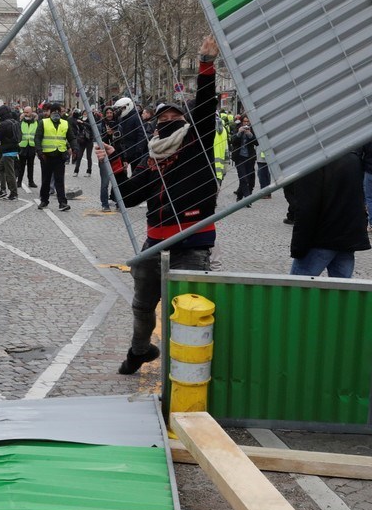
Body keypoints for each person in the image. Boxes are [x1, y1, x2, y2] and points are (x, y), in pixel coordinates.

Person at [101, 36, 219, 375]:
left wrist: (206, 65)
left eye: (175, 115)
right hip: (154, 243)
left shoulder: (196, 145)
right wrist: (115, 162)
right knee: (141, 306)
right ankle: (139, 351)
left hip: (191, 244)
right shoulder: (150, 159)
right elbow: (127, 197)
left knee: (188, 311)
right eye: (163, 116)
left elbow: (206, 107)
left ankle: (191, 368)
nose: (169, 118)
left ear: (185, 122)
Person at [286, 150, 370, 278]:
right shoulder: (352, 157)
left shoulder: (311, 162)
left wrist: (298, 248)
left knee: (298, 287)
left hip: (321, 238)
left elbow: (307, 208)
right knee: (342, 288)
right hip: (346, 238)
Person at [35, 103, 73, 211]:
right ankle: (44, 200)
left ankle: (62, 203)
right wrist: (39, 151)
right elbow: (37, 138)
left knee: (59, 180)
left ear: (61, 113)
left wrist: (74, 148)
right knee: (46, 180)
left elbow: (71, 137)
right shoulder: (43, 122)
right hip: (46, 156)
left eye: (58, 111)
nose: (56, 113)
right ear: (50, 113)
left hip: (60, 155)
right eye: (54, 111)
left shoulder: (65, 123)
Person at [98, 107, 124, 213]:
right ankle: (105, 204)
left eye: (111, 112)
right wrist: (107, 135)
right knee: (105, 183)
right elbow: (99, 142)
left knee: (117, 182)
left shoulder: (119, 126)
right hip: (104, 157)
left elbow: (122, 144)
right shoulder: (100, 126)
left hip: (116, 157)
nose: (109, 114)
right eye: (107, 113)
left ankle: (118, 203)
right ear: (104, 114)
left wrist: (124, 159)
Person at [0, 105, 20, 200]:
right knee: (0, 168)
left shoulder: (4, 124)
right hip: (15, 149)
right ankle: (3, 190)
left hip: (7, 151)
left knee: (10, 173)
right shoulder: (15, 122)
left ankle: (13, 193)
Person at [230, 115, 258, 201]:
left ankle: (239, 196)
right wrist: (239, 133)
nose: (246, 123)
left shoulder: (253, 129)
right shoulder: (237, 128)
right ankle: (247, 199)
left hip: (250, 158)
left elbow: (257, 142)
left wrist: (250, 135)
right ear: (242, 122)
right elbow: (232, 141)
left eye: (247, 121)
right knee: (243, 178)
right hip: (239, 158)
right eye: (244, 121)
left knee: (249, 179)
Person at [16, 106, 39, 190]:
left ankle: (31, 181)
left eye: (27, 112)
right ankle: (19, 181)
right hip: (23, 146)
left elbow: (37, 134)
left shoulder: (36, 122)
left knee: (30, 165)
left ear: (31, 112)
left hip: (32, 146)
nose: (25, 114)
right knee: (21, 166)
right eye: (24, 112)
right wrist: (18, 143)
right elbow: (18, 133)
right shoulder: (21, 122)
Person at [71, 109, 93, 177]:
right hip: (82, 140)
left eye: (86, 112)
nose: (85, 114)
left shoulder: (91, 119)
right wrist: (78, 123)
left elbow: (91, 127)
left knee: (88, 157)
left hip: (89, 140)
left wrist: (83, 123)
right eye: (84, 112)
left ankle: (89, 171)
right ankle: (76, 171)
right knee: (79, 156)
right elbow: (79, 129)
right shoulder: (79, 119)